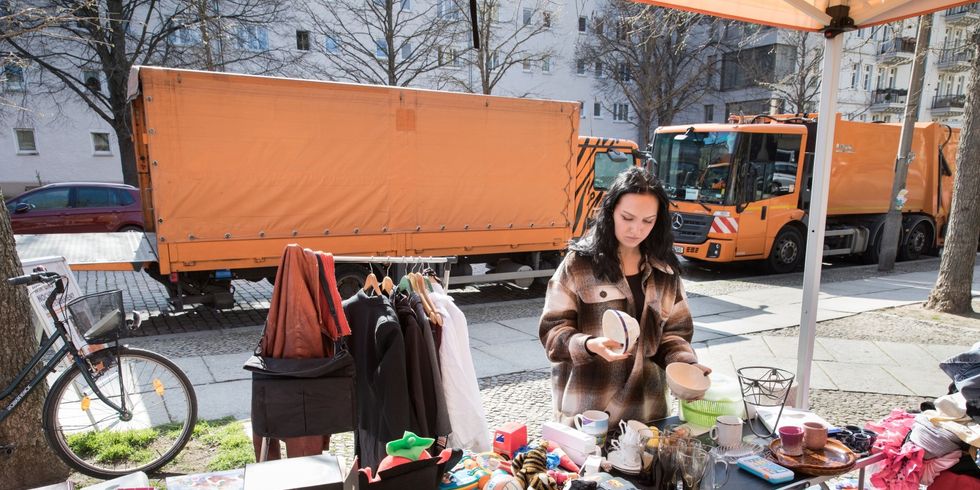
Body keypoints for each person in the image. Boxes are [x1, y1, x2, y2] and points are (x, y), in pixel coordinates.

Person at [539, 166, 710, 426]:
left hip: (647, 412)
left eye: (647, 221)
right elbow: (552, 334)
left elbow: (675, 334)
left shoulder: (665, 271)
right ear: (610, 213)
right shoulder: (579, 264)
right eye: (627, 218)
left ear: (658, 221)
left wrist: (687, 365)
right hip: (589, 411)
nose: (636, 229)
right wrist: (589, 345)